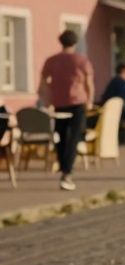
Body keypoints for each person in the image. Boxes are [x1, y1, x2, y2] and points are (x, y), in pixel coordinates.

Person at [38, 30, 95, 191]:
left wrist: (47, 98)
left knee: (61, 136)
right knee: (74, 137)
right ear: (75, 43)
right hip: (77, 103)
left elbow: (43, 82)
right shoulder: (81, 60)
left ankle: (64, 168)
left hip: (59, 103)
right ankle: (67, 172)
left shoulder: (52, 61)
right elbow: (89, 83)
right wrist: (90, 100)